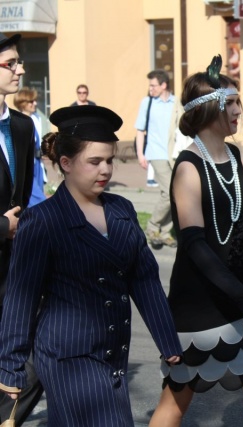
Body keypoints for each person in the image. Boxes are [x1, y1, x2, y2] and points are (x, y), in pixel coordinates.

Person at [0, 105, 183, 426]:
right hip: (66, 356)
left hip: (113, 353)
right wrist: (11, 367)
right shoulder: (43, 220)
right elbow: (21, 297)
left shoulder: (122, 210)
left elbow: (145, 281)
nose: (105, 170)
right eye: (95, 161)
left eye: (110, 160)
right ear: (66, 163)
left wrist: (169, 342)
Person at [148, 55, 243, 427]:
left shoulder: (233, 154)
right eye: (232, 102)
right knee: (174, 406)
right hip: (199, 305)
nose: (240, 110)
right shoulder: (187, 166)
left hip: (241, 302)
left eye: (240, 101)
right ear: (211, 108)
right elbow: (195, 246)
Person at [0, 32, 44, 426]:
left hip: (15, 265)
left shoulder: (22, 125)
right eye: (10, 63)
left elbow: (26, 192)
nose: (20, 70)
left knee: (36, 361)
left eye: (19, 62)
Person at [135, 70, 184, 249]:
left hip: (174, 154)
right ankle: (152, 226)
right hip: (156, 153)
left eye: (153, 85)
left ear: (163, 85)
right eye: (150, 85)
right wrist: (140, 154)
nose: (151, 89)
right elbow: (140, 130)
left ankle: (164, 232)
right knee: (169, 191)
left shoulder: (176, 102)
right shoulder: (147, 103)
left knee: (176, 194)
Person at [14, 87, 46, 206]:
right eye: (31, 101)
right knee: (38, 200)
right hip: (26, 163)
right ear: (23, 103)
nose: (35, 104)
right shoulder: (16, 120)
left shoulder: (36, 118)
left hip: (37, 163)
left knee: (38, 193)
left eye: (35, 101)